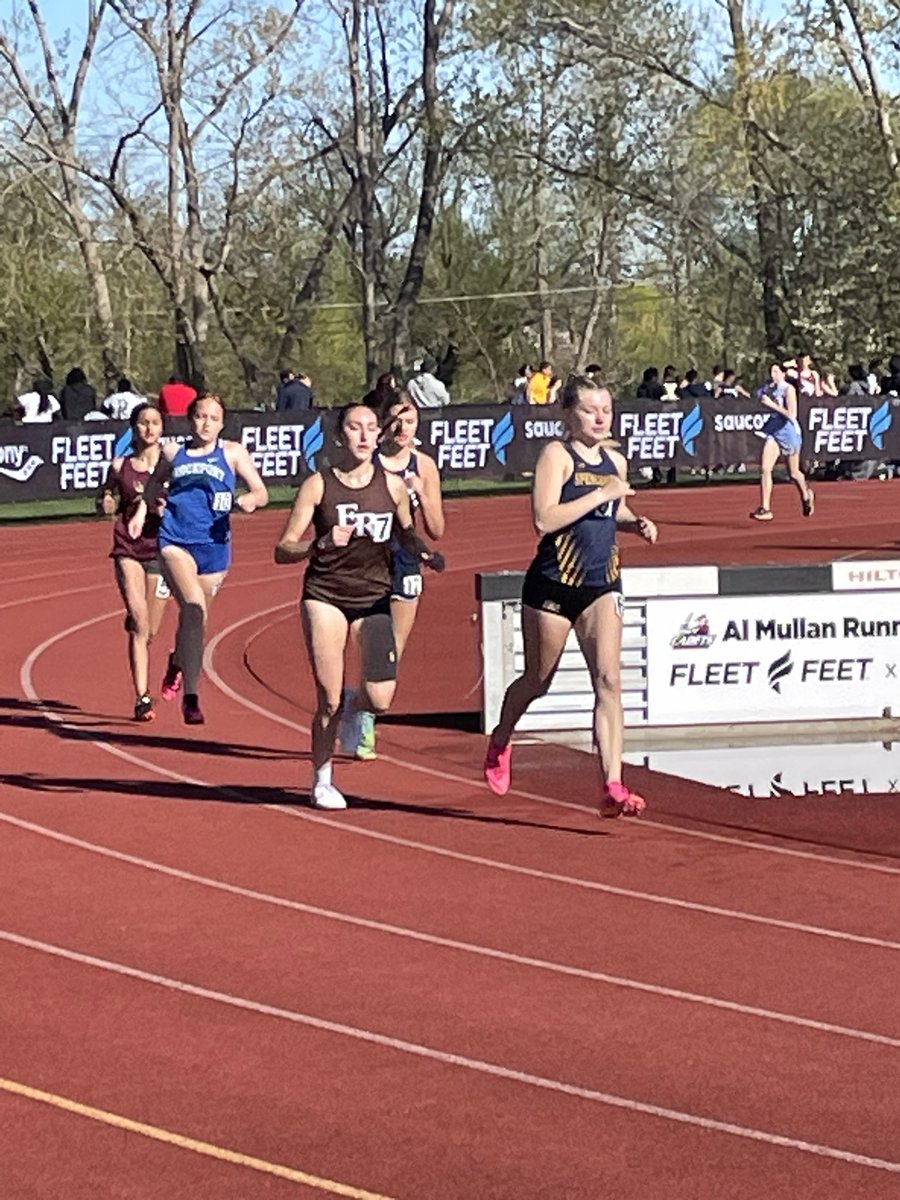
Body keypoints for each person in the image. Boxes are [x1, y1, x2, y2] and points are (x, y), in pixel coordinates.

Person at [482, 375, 658, 817]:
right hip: (554, 584)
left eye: (606, 410)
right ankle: (503, 736)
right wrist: (603, 493)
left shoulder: (615, 461)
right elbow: (544, 518)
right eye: (589, 410)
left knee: (610, 681)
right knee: (539, 680)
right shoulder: (556, 456)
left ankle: (612, 784)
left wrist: (633, 521)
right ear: (568, 414)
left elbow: (612, 509)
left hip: (602, 583)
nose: (600, 418)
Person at [273, 402, 445, 810]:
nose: (365, 435)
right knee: (328, 698)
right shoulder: (319, 485)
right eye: (355, 427)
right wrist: (321, 543)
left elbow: (405, 534)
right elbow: (283, 548)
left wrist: (424, 553)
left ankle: (355, 705)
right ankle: (322, 779)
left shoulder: (394, 486)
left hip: (374, 596)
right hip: (327, 595)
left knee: (381, 698)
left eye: (371, 427)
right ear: (340, 435)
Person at [127, 393, 268, 724]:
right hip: (175, 541)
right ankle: (192, 696)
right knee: (192, 607)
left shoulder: (232, 453)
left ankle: (178, 661)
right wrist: (146, 510)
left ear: (222, 423)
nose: (206, 423)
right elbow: (152, 487)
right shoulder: (174, 452)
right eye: (201, 417)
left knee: (194, 622)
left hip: (214, 548)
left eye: (213, 418)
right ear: (190, 420)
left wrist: (250, 500)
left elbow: (261, 491)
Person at [348, 391, 446, 758]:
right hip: (364, 561)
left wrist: (420, 494)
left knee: (392, 653)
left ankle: (362, 710)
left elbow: (436, 529)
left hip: (404, 562)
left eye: (410, 421)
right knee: (369, 642)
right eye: (396, 420)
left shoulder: (424, 466)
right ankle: (363, 718)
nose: (403, 428)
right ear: (383, 423)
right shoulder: (366, 461)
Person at [98, 402, 172, 721]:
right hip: (128, 546)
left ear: (162, 428)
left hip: (161, 549)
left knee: (151, 629)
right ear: (134, 427)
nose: (149, 428)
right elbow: (104, 497)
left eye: (155, 423)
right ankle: (142, 697)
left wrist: (165, 508)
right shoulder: (120, 466)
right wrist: (107, 500)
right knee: (140, 623)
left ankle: (140, 625)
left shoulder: (171, 465)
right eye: (143, 423)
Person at [750, 362, 815, 521]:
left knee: (793, 473)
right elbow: (757, 394)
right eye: (771, 371)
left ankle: (806, 495)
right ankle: (765, 508)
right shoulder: (770, 388)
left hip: (789, 433)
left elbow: (791, 414)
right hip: (773, 431)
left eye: (776, 371)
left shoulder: (788, 389)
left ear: (783, 373)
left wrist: (772, 404)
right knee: (765, 468)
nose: (773, 374)